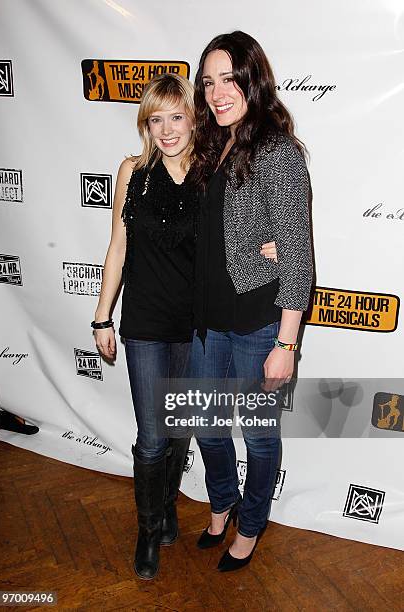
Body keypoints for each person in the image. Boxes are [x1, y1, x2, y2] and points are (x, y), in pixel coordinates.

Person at [190, 31, 313, 572]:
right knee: (207, 426)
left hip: (257, 324)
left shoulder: (277, 151)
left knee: (259, 439)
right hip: (206, 322)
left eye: (229, 79)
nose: (218, 92)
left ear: (252, 80)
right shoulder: (209, 145)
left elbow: (298, 257)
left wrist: (286, 342)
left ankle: (252, 524)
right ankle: (221, 503)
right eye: (209, 82)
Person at [91, 74, 198, 580]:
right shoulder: (132, 171)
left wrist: (267, 247)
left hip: (199, 327)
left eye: (176, 116)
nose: (167, 129)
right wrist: (101, 315)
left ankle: (168, 506)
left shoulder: (211, 172)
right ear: (146, 125)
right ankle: (147, 530)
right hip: (147, 323)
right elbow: (117, 247)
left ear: (193, 117)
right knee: (153, 436)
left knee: (180, 433)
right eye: (156, 119)